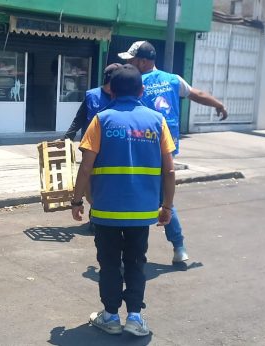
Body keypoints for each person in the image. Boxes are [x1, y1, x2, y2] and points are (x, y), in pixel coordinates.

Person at [71, 64, 177, 336]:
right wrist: (167, 206)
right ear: (141, 91)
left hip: (106, 210)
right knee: (135, 262)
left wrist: (76, 201)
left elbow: (86, 167)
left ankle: (109, 316)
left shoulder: (101, 120)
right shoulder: (157, 121)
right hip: (142, 212)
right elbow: (170, 169)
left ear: (111, 91)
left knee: (108, 263)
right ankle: (134, 317)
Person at [119, 41, 228, 264]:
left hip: (143, 144)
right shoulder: (173, 79)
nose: (128, 63)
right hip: (168, 147)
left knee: (139, 195)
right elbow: (196, 93)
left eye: (131, 59)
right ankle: (178, 247)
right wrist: (218, 104)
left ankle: (137, 249)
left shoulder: (136, 82)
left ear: (142, 61)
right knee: (164, 197)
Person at [62, 63, 122, 141]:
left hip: (111, 142)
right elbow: (80, 118)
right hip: (90, 144)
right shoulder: (92, 96)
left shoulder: (123, 97)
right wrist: (67, 137)